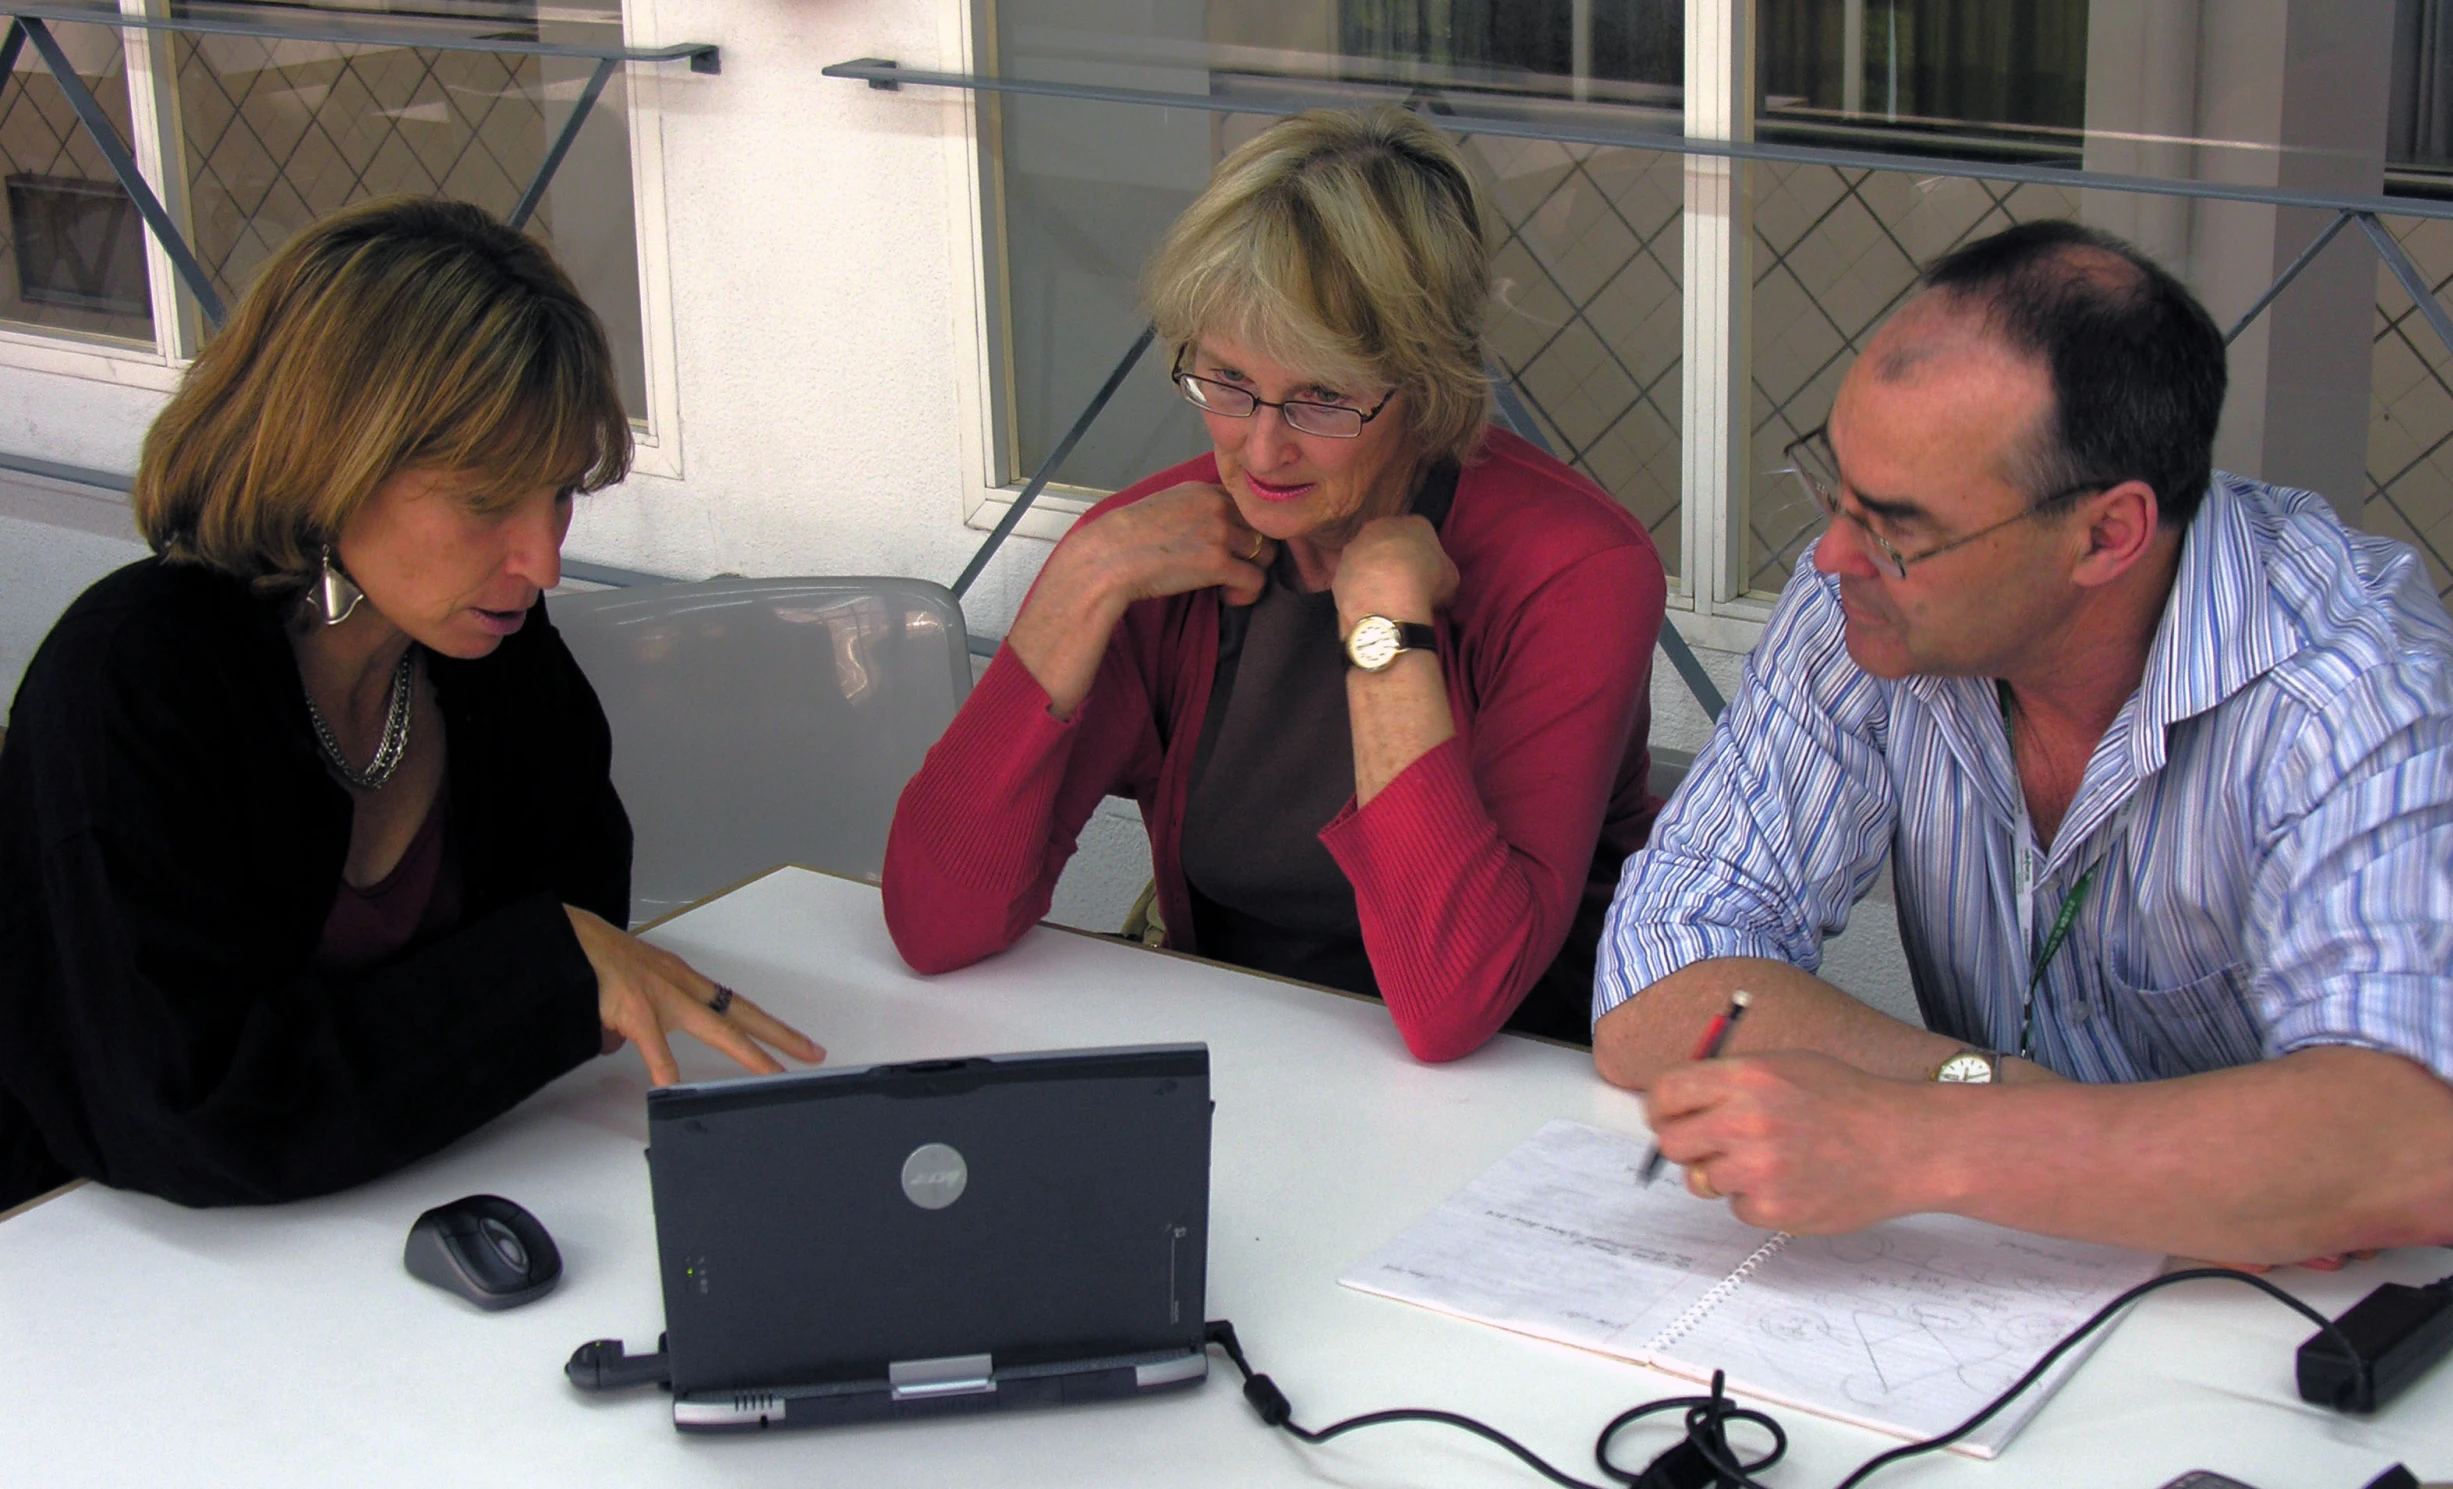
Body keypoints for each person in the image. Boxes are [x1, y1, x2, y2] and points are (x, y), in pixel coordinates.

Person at [1594, 219, 2453, 1264]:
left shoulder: (2348, 687)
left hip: (2311, 1328)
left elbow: (2409, 1143)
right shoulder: (1865, 611)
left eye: (1895, 529)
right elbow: (1655, 978)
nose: (1828, 557)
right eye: (1836, 491)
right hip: (2027, 1284)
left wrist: (1919, 1141)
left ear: (2106, 535)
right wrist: (1979, 1092)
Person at [0, 198, 820, 1212]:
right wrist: (529, 989)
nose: (544, 560)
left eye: (561, 493)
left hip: (398, 1201)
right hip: (87, 1260)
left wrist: (531, 988)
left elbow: (580, 922)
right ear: (326, 461)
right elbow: (191, 1110)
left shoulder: (484, 650)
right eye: (486, 502)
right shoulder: (133, 677)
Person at [883, 107, 1665, 1059]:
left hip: (1519, 1098)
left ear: (1425, 384)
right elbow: (935, 924)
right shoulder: (1153, 553)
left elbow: (1456, 999)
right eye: (1225, 379)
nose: (1261, 446)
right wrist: (1078, 579)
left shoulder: (1573, 570)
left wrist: (1383, 622)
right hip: (1243, 1062)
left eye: (1323, 397)